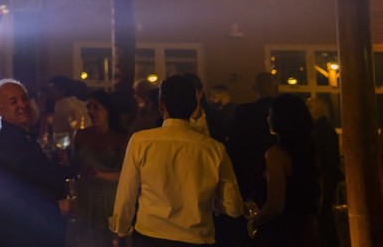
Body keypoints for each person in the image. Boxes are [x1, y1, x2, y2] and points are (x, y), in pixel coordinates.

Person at [110, 75, 243, 246]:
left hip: (150, 236)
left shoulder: (140, 142)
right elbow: (233, 207)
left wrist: (121, 230)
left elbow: (127, 193)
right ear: (195, 105)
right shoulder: (214, 149)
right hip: (196, 237)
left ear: (161, 105)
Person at [0, 79, 68, 247]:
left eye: (24, 99)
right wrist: (57, 207)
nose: (22, 105)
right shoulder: (6, 144)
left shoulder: (23, 136)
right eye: (13, 102)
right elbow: (10, 198)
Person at [248, 94, 321, 247]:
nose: (267, 118)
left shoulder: (275, 155)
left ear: (280, 119)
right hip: (306, 231)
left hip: (280, 233)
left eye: (270, 113)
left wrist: (256, 220)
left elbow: (275, 205)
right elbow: (319, 194)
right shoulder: (309, 153)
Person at [70, 90, 129, 247]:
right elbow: (73, 167)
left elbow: (127, 175)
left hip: (110, 197)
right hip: (85, 195)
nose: (91, 112)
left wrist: (100, 174)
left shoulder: (122, 138)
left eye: (96, 107)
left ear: (108, 110)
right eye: (89, 107)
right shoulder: (81, 135)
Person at [229, 71, 277, 201]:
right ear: (276, 87)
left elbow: (234, 146)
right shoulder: (284, 111)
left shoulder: (244, 112)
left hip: (249, 172)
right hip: (281, 172)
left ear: (255, 88)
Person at [305, 96, 341, 247]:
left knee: (322, 215)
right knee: (324, 215)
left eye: (310, 107)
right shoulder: (325, 127)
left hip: (323, 177)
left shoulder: (319, 129)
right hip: (327, 177)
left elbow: (322, 156)